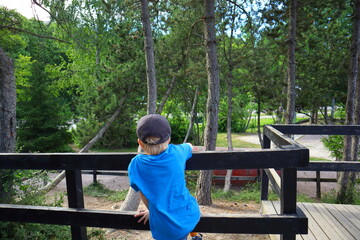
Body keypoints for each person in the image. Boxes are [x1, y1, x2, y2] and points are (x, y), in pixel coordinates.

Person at [128, 114, 202, 240]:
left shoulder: (136, 164)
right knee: (185, 220)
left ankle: (193, 235)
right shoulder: (177, 152)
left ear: (140, 142)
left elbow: (144, 195)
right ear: (168, 139)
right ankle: (195, 235)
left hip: (163, 226)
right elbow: (189, 146)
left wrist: (153, 212)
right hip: (189, 214)